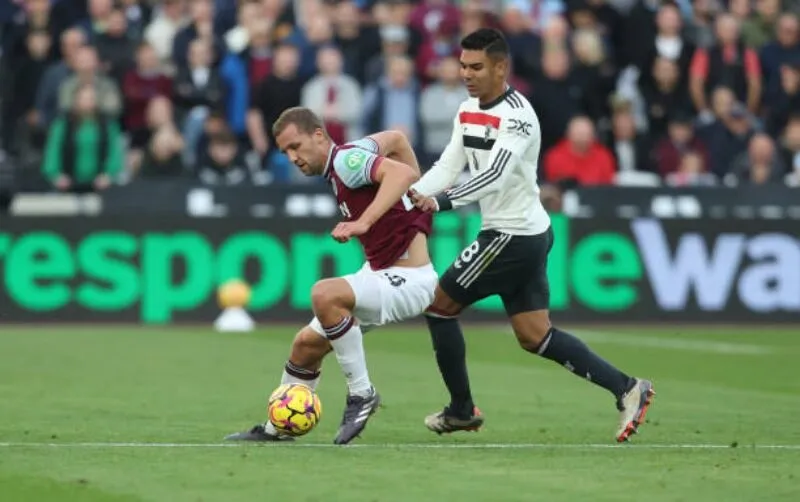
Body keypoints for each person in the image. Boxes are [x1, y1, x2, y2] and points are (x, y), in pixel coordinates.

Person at [409, 28, 655, 443]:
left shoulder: (518, 117)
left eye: (476, 67)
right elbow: (449, 166)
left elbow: (492, 176)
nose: (466, 74)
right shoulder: (468, 110)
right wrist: (415, 192)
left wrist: (440, 203)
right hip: (527, 232)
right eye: (463, 66)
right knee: (534, 336)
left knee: (439, 307)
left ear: (501, 67)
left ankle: (461, 410)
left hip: (512, 236)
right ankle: (628, 387)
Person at [225, 107, 438, 445]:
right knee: (305, 345)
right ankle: (277, 429)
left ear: (319, 135)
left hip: (407, 279)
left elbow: (399, 174)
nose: (293, 157)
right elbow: (397, 140)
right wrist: (418, 197)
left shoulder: (347, 163)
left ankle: (362, 394)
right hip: (382, 273)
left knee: (325, 294)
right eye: (285, 152)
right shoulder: (354, 154)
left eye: (296, 146)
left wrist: (365, 221)